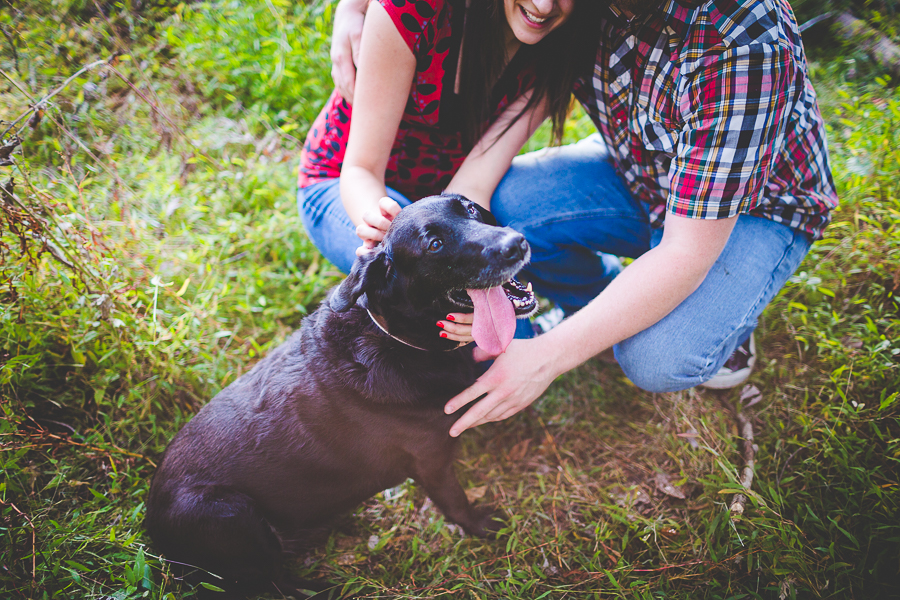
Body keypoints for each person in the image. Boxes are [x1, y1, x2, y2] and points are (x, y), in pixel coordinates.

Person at [330, 0, 839, 437]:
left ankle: (722, 321)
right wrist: (354, 9)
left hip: (754, 207)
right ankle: (612, 298)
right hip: (639, 170)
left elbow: (686, 251)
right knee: (503, 207)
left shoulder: (745, 45)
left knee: (656, 357)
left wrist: (546, 356)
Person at [299, 0, 600, 275]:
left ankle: (594, 295)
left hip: (447, 201)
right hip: (344, 184)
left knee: (487, 298)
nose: (544, 6)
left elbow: (472, 185)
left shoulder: (560, 51)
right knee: (422, 285)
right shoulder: (413, 11)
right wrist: (388, 229)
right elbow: (361, 168)